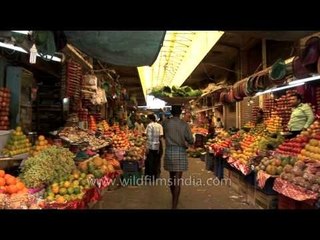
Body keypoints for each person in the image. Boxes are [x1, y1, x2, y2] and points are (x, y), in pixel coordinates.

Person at [162, 105, 194, 209]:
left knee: (171, 178)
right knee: (177, 180)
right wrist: (188, 141)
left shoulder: (166, 123)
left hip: (169, 151)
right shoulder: (184, 124)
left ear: (171, 112)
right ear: (180, 113)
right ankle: (174, 205)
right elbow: (190, 139)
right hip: (180, 151)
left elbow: (163, 135)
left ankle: (173, 197)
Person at [145, 114, 163, 180]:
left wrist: (147, 147)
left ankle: (150, 176)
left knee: (150, 160)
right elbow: (161, 135)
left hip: (150, 145)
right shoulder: (159, 125)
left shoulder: (149, 125)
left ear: (150, 119)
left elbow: (148, 137)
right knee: (157, 160)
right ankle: (156, 175)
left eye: (147, 119)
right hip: (158, 144)